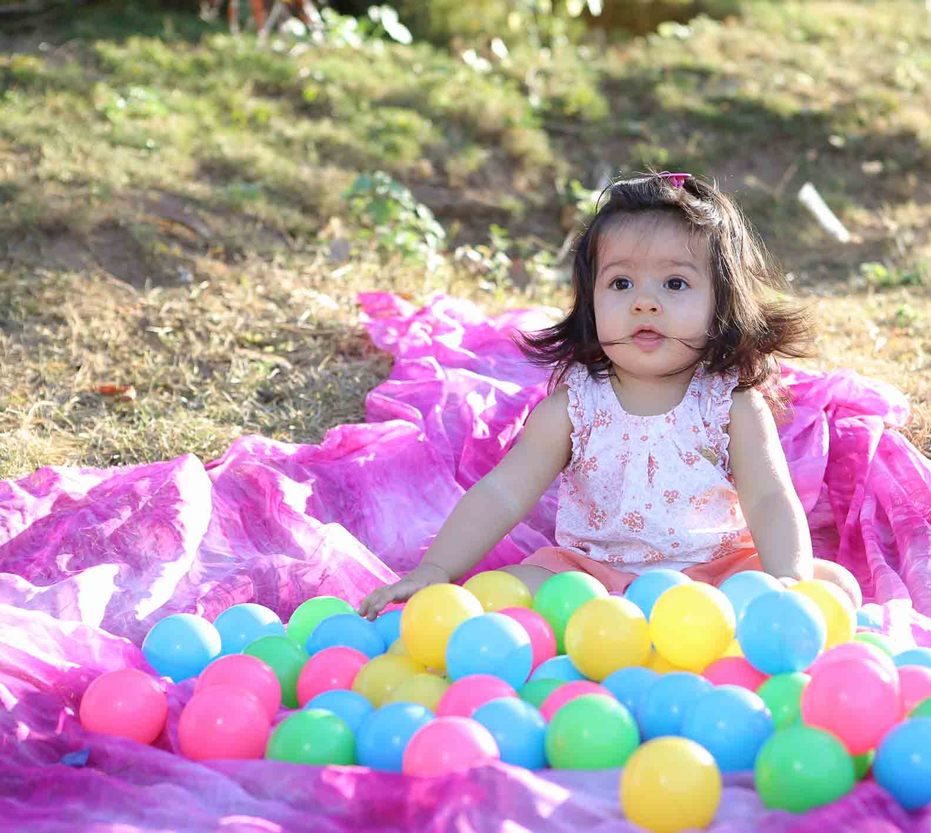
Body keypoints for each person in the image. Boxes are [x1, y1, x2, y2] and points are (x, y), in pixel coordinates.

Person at [359, 169, 861, 619]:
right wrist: (437, 569)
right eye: (620, 283)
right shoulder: (576, 406)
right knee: (501, 593)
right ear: (588, 301)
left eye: (675, 284)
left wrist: (788, 582)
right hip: (590, 579)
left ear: (722, 303)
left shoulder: (729, 404)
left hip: (711, 578)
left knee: (831, 586)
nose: (645, 302)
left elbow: (770, 498)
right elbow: (502, 492)